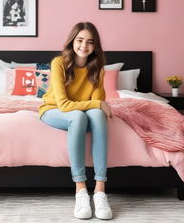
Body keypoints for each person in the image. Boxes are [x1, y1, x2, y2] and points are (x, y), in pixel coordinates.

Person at [39, 22, 113, 220]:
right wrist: (97, 104)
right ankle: (80, 190)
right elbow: (63, 105)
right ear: (72, 41)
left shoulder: (98, 69)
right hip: (52, 109)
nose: (84, 46)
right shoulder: (59, 63)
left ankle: (99, 190)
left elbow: (96, 103)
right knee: (79, 116)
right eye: (80, 40)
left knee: (97, 114)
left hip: (78, 110)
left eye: (90, 42)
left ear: (95, 46)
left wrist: (97, 105)